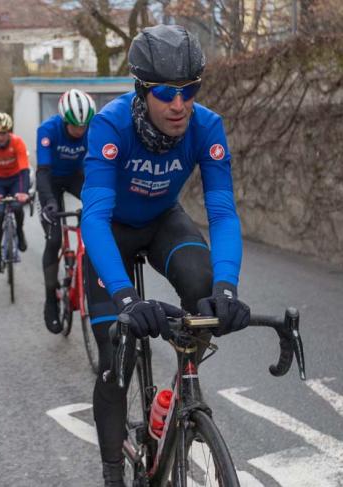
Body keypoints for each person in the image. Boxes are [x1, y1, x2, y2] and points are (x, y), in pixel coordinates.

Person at [80, 25, 251, 486]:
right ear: (142, 90)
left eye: (189, 90)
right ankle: (113, 470)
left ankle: (179, 398)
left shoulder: (207, 126)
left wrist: (227, 287)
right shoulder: (111, 125)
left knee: (203, 291)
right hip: (111, 229)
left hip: (162, 221)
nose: (179, 105)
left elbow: (222, 212)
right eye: (164, 93)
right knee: (117, 351)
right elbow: (93, 218)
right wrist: (124, 298)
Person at [37, 89, 96, 333]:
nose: (80, 131)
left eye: (84, 126)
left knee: (98, 218)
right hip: (50, 180)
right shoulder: (48, 130)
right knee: (54, 241)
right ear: (64, 119)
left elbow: (98, 169)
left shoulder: (92, 130)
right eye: (74, 126)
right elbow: (42, 172)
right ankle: (51, 298)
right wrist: (49, 203)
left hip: (76, 177)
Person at [0, 112, 31, 273]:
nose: (1, 137)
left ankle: (20, 232)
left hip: (15, 179)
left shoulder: (18, 143)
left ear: (9, 132)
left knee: (17, 207)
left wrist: (23, 192)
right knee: (0, 213)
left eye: (4, 133)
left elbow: (24, 170)